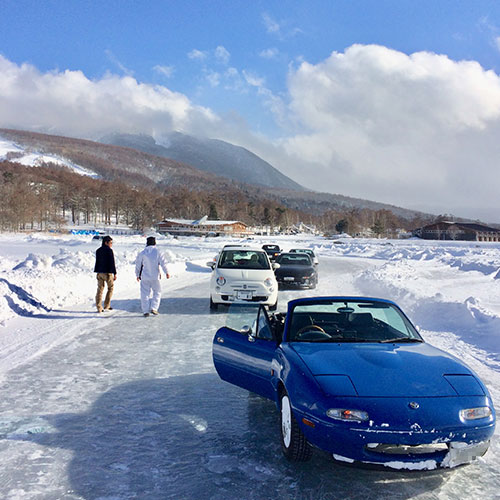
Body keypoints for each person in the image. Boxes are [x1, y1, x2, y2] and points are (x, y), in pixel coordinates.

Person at [135, 236, 170, 317]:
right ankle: (154, 308)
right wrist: (167, 272)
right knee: (157, 292)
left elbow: (138, 265)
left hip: (145, 276)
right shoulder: (158, 252)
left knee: (144, 293)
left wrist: (137, 275)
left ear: (147, 243)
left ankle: (145, 311)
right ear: (155, 243)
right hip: (155, 277)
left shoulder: (143, 253)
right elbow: (163, 263)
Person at [94, 235, 117, 313]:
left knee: (100, 290)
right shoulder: (109, 251)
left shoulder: (98, 250)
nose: (111, 244)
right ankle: (107, 305)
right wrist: (114, 273)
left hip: (99, 273)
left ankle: (99, 307)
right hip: (107, 273)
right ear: (106, 243)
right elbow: (112, 263)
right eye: (110, 243)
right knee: (110, 288)